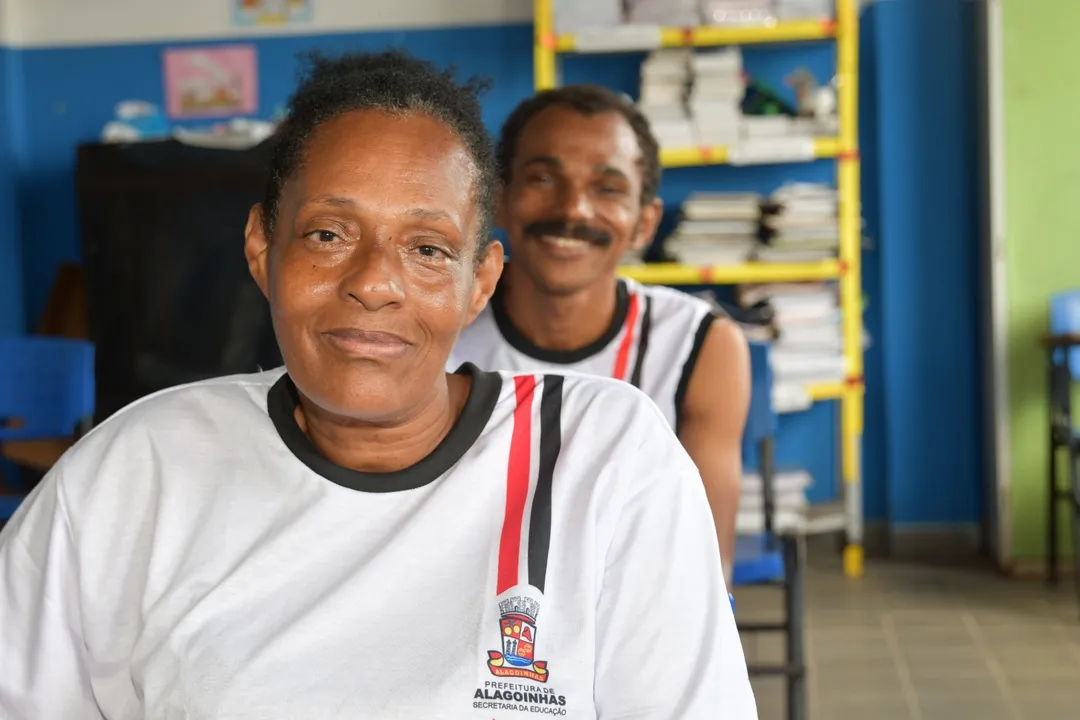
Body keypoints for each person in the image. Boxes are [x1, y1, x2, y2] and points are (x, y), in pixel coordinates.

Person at [0, 51, 757, 719]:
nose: (373, 283)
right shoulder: (136, 470)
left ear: (479, 281)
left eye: (427, 248)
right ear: (263, 249)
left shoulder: (606, 458)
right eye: (329, 234)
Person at [448, 85, 751, 580]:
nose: (574, 210)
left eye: (607, 188)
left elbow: (704, 568)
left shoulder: (700, 344)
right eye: (543, 178)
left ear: (644, 223)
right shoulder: (440, 329)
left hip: (630, 617)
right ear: (498, 199)